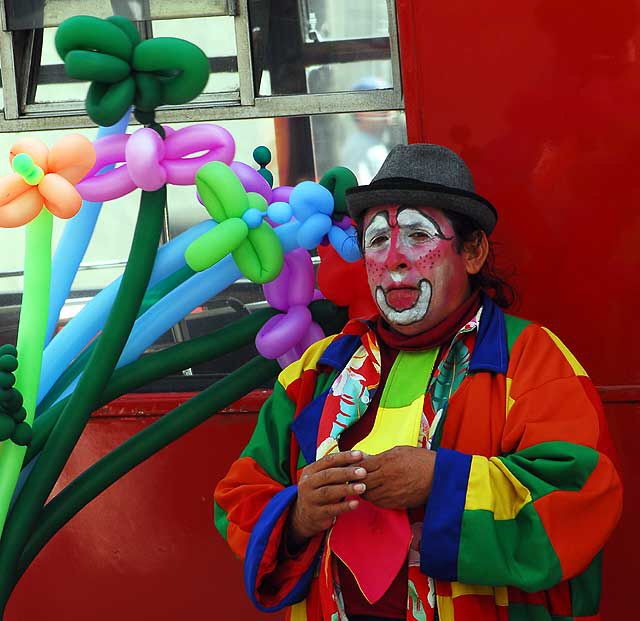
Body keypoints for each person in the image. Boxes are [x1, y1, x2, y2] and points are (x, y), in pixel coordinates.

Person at [214, 144, 622, 621]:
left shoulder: (532, 359)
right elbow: (239, 496)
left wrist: (438, 481)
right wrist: (299, 515)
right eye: (377, 239)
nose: (394, 260)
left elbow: (581, 495)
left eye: (417, 234)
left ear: (472, 252)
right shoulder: (313, 371)